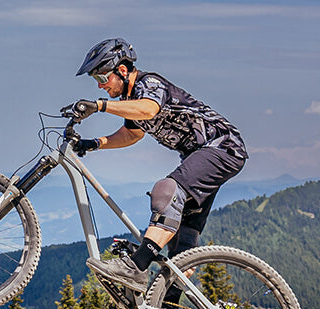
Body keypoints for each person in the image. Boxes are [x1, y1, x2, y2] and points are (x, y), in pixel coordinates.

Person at [68, 38, 248, 293]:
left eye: (102, 77)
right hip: (202, 155)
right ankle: (167, 304)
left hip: (222, 147)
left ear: (122, 70)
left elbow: (149, 109)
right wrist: (95, 143)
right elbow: (132, 134)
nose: (101, 85)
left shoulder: (148, 84)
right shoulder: (131, 99)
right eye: (96, 81)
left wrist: (99, 106)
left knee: (167, 191)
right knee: (181, 242)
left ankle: (136, 267)